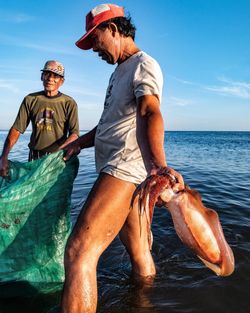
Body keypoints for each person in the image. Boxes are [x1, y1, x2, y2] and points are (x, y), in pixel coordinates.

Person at [61, 4, 184, 313]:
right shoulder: (120, 71)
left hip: (124, 168)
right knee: (140, 251)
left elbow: (150, 111)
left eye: (95, 39)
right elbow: (108, 124)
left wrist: (157, 164)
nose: (93, 50)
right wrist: (79, 143)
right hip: (124, 169)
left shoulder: (144, 64)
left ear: (114, 30)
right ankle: (143, 303)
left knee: (79, 252)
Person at [0, 60, 79, 177]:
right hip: (35, 157)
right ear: (42, 77)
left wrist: (56, 154)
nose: (50, 79)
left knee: (55, 194)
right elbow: (17, 129)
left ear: (61, 81)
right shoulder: (30, 99)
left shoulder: (69, 102)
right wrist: (4, 156)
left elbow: (74, 134)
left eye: (55, 76)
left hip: (58, 158)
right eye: (47, 74)